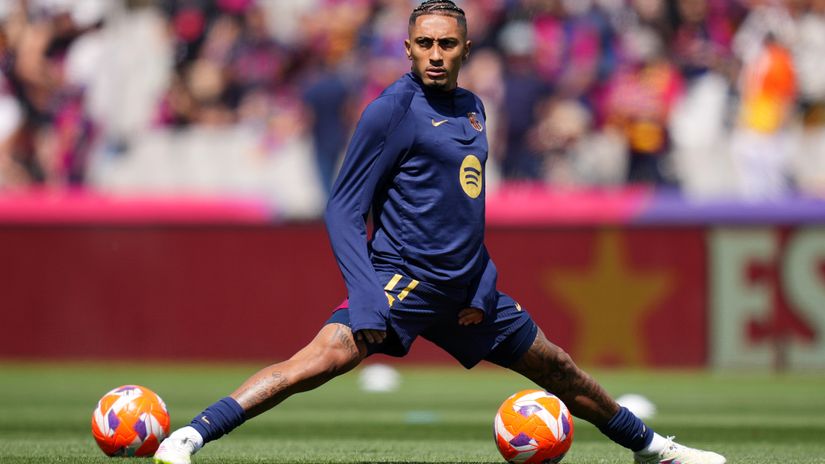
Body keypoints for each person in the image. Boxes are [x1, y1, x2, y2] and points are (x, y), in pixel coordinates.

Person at [154, 2, 727, 463]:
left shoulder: (474, 109)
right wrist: (366, 295)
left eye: (446, 44)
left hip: (465, 292)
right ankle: (193, 436)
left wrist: (482, 288)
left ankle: (655, 450)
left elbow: (467, 211)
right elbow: (343, 210)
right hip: (400, 280)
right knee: (316, 363)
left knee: (558, 367)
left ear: (465, 49)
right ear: (407, 48)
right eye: (424, 44)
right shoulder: (390, 112)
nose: (434, 54)